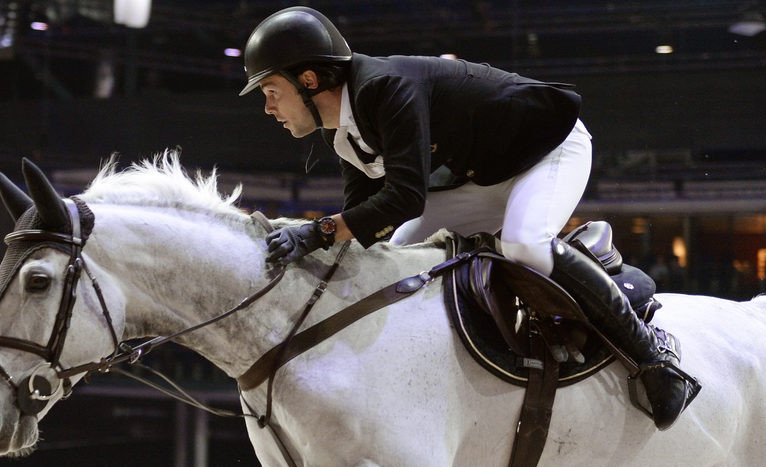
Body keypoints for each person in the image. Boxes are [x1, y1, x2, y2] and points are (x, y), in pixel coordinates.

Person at [238, 6, 698, 429]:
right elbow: (364, 229)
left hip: (548, 150)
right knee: (396, 253)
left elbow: (403, 198)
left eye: (271, 92)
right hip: (484, 176)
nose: (268, 108)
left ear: (310, 79)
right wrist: (298, 242)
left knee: (522, 244)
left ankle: (653, 359)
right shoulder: (345, 133)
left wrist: (315, 232)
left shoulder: (385, 87)